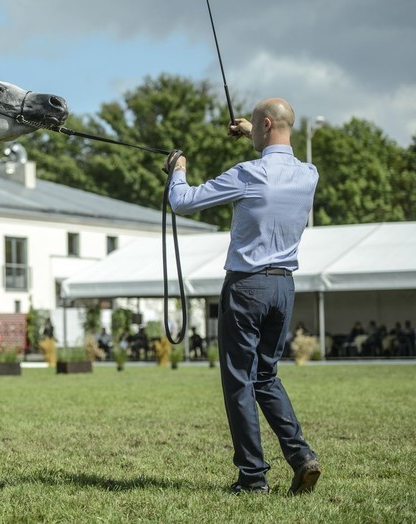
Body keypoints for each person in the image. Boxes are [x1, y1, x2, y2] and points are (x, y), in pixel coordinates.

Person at [166, 98, 320, 495]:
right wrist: (255, 132)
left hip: (246, 286)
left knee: (238, 381)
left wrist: (178, 170)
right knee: (266, 377)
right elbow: (278, 154)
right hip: (283, 286)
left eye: (255, 125)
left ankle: (252, 477)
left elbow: (182, 202)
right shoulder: (309, 174)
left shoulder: (248, 174)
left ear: (266, 124)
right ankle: (301, 456)